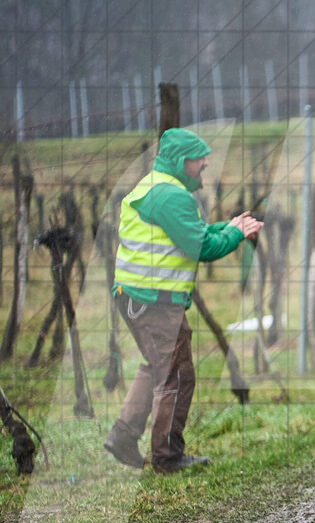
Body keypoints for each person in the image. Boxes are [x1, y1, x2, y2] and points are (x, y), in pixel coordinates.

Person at [104, 127, 262, 474]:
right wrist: (236, 234)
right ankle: (167, 456)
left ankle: (123, 435)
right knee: (177, 376)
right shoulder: (171, 197)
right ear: (179, 160)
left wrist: (229, 226)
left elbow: (194, 232)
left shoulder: (157, 186)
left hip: (139, 297)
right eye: (198, 160)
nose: (204, 165)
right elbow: (201, 247)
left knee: (156, 365)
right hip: (154, 302)